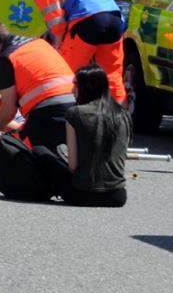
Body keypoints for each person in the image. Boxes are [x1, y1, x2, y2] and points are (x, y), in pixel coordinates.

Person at [13, 0, 126, 104]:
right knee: (112, 74)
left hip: (88, 19)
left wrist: (58, 48)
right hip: (114, 17)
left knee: (65, 73)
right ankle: (121, 117)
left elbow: (56, 21)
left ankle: (64, 114)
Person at [0, 21, 76, 151]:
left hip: (49, 112)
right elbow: (11, 95)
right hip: (75, 104)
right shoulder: (37, 43)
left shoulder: (4, 61)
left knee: (10, 151)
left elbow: (9, 112)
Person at [49, 64, 132, 206]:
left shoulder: (75, 113)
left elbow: (73, 166)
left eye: (76, 85)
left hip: (83, 193)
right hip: (117, 196)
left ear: (87, 87)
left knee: (41, 152)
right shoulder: (124, 115)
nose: (72, 90)